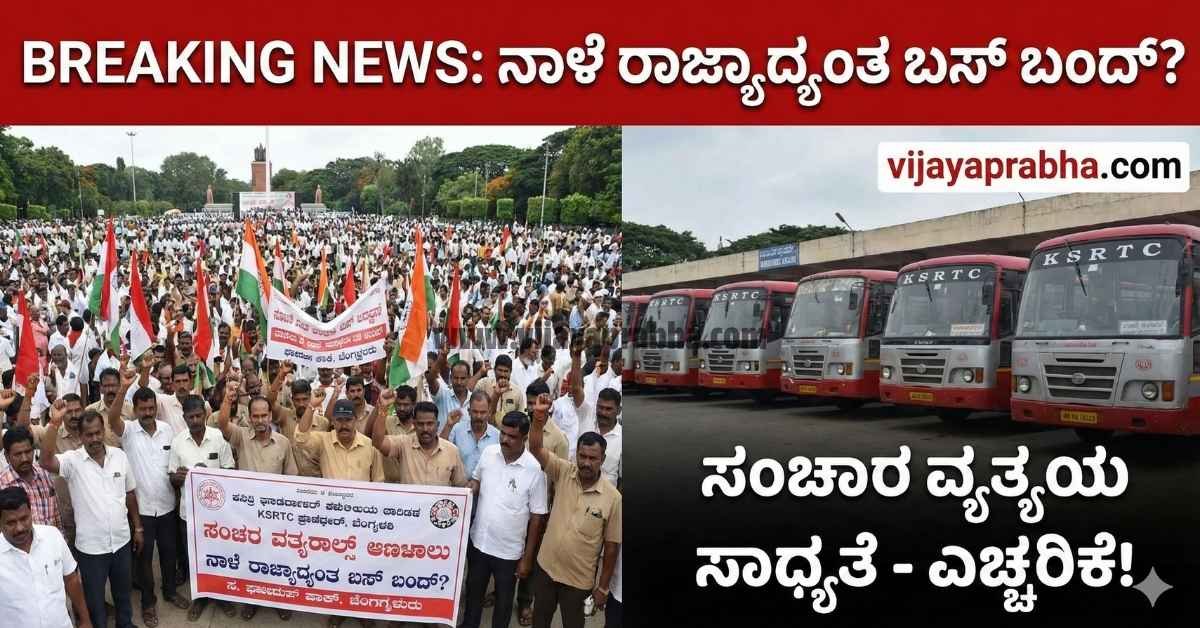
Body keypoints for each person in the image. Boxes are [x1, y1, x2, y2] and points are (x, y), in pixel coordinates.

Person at [39, 403, 142, 628]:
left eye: (97, 433)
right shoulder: (72, 461)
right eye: (89, 435)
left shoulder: (119, 456)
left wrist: (139, 528)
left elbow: (130, 493)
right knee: (95, 601)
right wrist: (54, 423)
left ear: (103, 430)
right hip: (91, 549)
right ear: (81, 436)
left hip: (121, 541)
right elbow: (45, 461)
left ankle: (125, 624)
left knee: (123, 594)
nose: (94, 438)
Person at [108, 368, 190, 626]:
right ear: (135, 410)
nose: (147, 412)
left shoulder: (167, 430)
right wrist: (123, 387)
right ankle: (148, 603)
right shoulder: (128, 431)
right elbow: (112, 419)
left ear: (156, 407)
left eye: (151, 408)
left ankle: (170, 591)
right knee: (143, 560)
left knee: (168, 553)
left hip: (167, 507)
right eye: (142, 409)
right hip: (141, 511)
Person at [527, 406, 621, 628]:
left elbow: (611, 547)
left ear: (603, 459)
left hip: (578, 582)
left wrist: (603, 588)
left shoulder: (613, 498)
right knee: (539, 622)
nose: (586, 463)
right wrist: (538, 419)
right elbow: (536, 448)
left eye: (593, 458)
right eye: (582, 456)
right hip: (546, 569)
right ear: (576, 454)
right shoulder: (563, 471)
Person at [215, 377, 298, 620]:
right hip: (247, 517)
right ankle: (252, 600)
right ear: (249, 417)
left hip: (276, 516)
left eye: (264, 415)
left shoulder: (283, 443)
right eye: (256, 416)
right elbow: (222, 424)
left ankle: (279, 599)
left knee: (277, 560)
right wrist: (228, 399)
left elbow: (291, 478)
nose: (260, 420)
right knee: (250, 559)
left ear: (271, 416)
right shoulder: (241, 436)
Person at [461, 410, 548, 628]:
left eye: (512, 436)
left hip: (508, 553)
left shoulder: (534, 470)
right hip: (479, 543)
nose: (505, 440)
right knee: (473, 595)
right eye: (503, 433)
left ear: (524, 438)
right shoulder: (489, 453)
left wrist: (527, 558)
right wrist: (468, 490)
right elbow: (476, 480)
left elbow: (537, 518)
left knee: (503, 604)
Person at [168, 394, 236, 622]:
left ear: (205, 415)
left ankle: (221, 596)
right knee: (195, 559)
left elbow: (230, 470)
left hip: (217, 515)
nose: (195, 420)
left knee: (219, 556)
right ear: (184, 418)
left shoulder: (217, 438)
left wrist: (210, 476)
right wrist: (178, 477)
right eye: (191, 417)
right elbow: (171, 478)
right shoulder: (178, 442)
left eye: (198, 416)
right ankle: (200, 598)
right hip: (189, 514)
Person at [0, 485, 94, 628]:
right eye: (11, 523)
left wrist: (85, 620)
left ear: (31, 513)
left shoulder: (53, 536)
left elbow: (71, 579)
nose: (20, 528)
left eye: (24, 518)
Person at [370, 396, 467, 487]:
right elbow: (378, 442)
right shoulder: (403, 444)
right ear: (414, 424)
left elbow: (461, 486)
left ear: (437, 425)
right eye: (421, 424)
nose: (425, 429)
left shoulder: (452, 451)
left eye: (430, 424)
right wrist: (383, 409)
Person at [0, 425, 61, 529]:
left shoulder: (45, 474)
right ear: (7, 456)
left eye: (28, 452)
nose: (24, 459)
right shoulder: (2, 484)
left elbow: (56, 517)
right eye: (18, 454)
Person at [444, 390, 500, 478]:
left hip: (486, 485)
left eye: (483, 412)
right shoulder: (457, 430)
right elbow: (441, 450)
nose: (478, 416)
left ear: (489, 412)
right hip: (460, 485)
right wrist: (448, 426)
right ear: (469, 411)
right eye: (475, 412)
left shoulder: (497, 435)